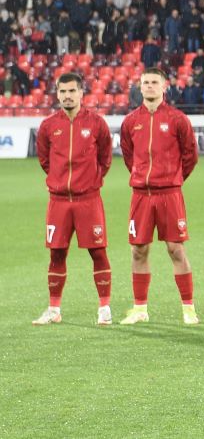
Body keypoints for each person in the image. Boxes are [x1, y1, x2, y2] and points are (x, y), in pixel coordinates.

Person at [118, 68, 199, 325]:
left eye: (154, 82)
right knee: (138, 250)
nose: (150, 86)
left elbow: (190, 156)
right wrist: (143, 177)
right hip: (141, 196)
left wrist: (172, 179)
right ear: (139, 87)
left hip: (170, 195)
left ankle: (188, 309)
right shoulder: (131, 121)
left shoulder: (177, 119)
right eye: (145, 83)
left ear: (164, 86)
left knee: (176, 250)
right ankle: (140, 309)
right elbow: (129, 156)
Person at [32, 73, 114, 325]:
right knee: (56, 253)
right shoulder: (48, 126)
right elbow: (45, 160)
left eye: (72, 91)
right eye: (63, 91)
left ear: (81, 93)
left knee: (97, 252)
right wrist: (60, 181)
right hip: (58, 202)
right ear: (57, 94)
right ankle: (54, 309)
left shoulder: (96, 123)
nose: (67, 95)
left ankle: (104, 308)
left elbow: (105, 158)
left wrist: (89, 181)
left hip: (88, 200)